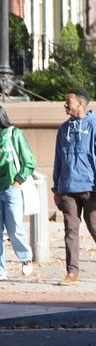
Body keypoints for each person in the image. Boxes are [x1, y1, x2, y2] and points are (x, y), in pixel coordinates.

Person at [51, 88, 96, 285]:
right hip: (67, 186)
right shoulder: (63, 130)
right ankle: (72, 273)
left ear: (80, 104)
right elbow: (58, 160)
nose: (65, 104)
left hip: (91, 187)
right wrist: (56, 188)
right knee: (70, 229)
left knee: (94, 225)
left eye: (68, 101)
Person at [0, 105, 35, 280]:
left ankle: (26, 258)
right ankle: (1, 271)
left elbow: (29, 162)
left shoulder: (14, 134)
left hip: (11, 189)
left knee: (14, 227)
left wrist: (17, 182)